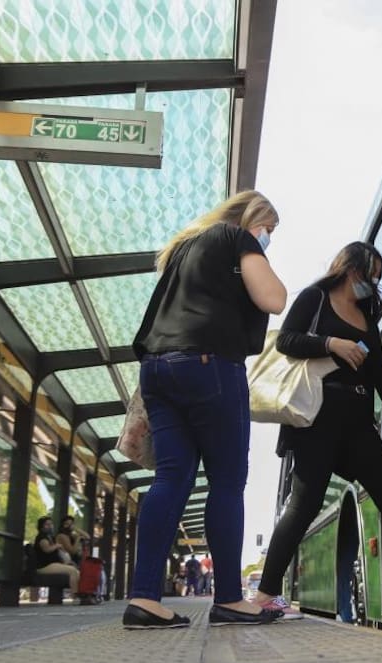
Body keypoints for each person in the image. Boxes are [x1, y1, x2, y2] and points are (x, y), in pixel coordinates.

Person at [125, 190, 287, 630]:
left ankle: (144, 599)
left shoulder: (185, 248)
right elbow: (273, 298)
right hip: (208, 365)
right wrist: (257, 251)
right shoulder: (236, 238)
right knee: (228, 482)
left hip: (157, 369)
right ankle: (231, 599)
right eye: (269, 229)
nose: (268, 237)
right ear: (253, 219)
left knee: (172, 479)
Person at [252, 242, 382, 619]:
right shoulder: (316, 297)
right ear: (350, 268)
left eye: (378, 276)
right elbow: (286, 340)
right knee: (304, 504)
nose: (373, 282)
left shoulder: (367, 314)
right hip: (318, 416)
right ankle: (265, 594)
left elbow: (380, 373)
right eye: (370, 273)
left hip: (358, 422)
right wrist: (331, 344)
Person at [32, 516, 79, 594]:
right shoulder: (42, 538)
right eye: (47, 525)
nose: (50, 526)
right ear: (41, 527)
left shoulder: (51, 537)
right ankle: (75, 594)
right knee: (73, 571)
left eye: (51, 524)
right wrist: (57, 546)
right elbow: (46, 549)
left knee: (76, 571)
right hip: (44, 566)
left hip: (53, 564)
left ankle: (80, 594)